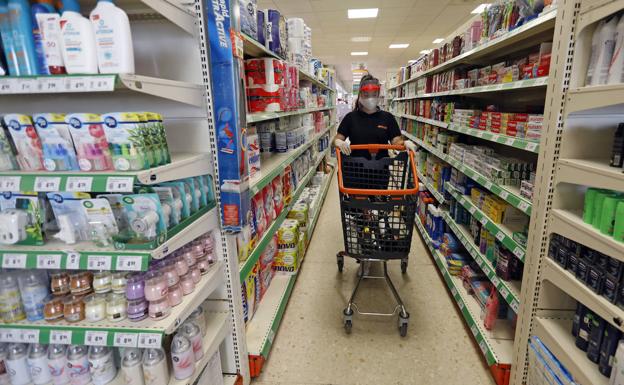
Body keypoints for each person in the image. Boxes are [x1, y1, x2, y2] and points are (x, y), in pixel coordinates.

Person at [333, 73, 417, 158]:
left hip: (381, 167)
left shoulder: (388, 118)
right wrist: (338, 142)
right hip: (356, 167)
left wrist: (405, 143)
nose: (370, 98)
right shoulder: (350, 118)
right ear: (360, 95)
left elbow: (396, 141)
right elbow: (337, 139)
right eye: (366, 95)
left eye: (374, 95)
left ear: (378, 95)